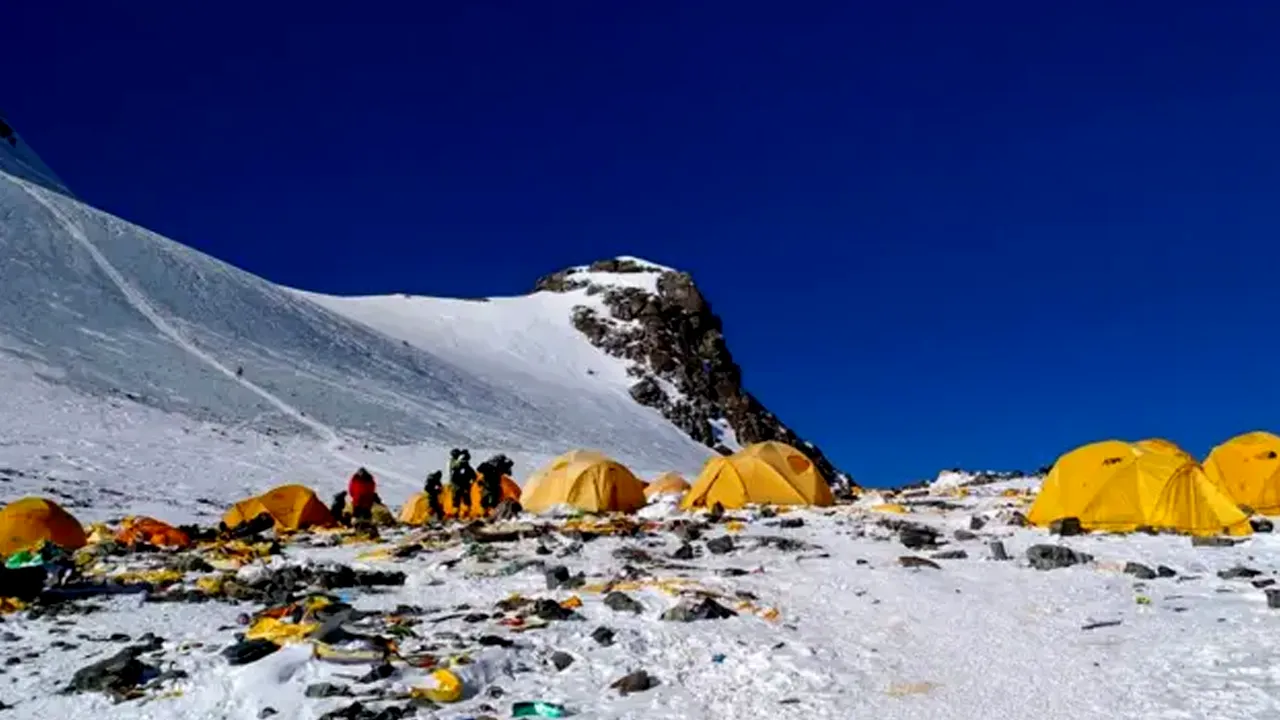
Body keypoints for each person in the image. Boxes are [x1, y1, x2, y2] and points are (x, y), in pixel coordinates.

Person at [448, 449, 475, 518]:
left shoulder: (457, 464)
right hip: (459, 485)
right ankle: (458, 514)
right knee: (459, 500)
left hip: (459, 485)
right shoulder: (456, 464)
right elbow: (472, 475)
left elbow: (472, 474)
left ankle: (462, 514)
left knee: (461, 499)